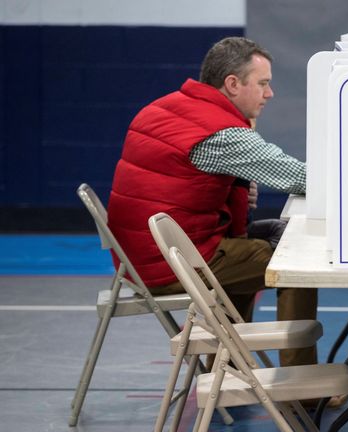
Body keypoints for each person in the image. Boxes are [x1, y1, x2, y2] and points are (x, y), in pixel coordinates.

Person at [107, 37, 319, 372]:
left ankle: (230, 370)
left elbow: (177, 183)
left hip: (136, 259)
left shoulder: (164, 107)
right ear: (232, 84)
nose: (269, 93)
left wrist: (236, 186)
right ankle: (301, 383)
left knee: (264, 244)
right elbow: (300, 178)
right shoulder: (222, 133)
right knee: (296, 265)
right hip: (171, 264)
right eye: (262, 83)